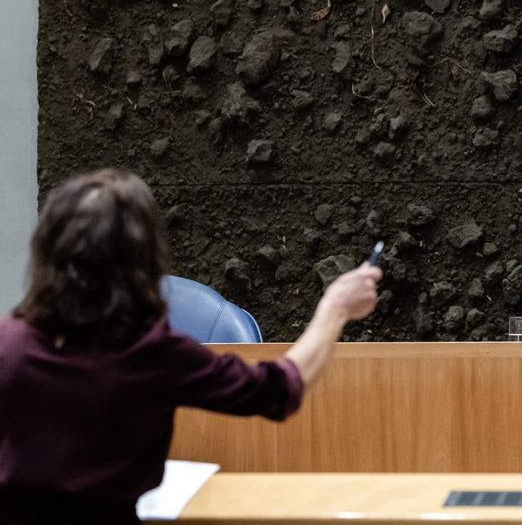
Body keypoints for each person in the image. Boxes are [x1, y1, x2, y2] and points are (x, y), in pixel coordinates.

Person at [0, 169, 383, 524]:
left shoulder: (9, 341)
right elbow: (277, 389)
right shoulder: (151, 354)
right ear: (143, 259)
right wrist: (335, 308)